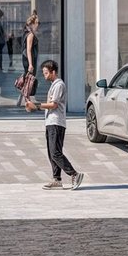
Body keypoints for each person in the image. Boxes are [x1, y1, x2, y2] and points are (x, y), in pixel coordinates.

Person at [27, 59, 82, 190]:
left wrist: (36, 106)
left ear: (53, 72)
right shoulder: (54, 85)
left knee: (55, 153)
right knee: (52, 153)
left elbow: (54, 104)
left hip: (56, 123)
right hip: (51, 122)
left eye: (46, 73)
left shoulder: (59, 85)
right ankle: (56, 179)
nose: (44, 75)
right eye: (44, 73)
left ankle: (74, 174)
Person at [16, 10, 42, 108]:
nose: (38, 25)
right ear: (31, 24)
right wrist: (31, 64)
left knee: (28, 79)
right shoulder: (30, 35)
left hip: (27, 60)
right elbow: (29, 50)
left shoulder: (27, 33)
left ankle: (22, 100)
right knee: (30, 80)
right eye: (37, 23)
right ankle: (28, 101)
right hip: (29, 60)